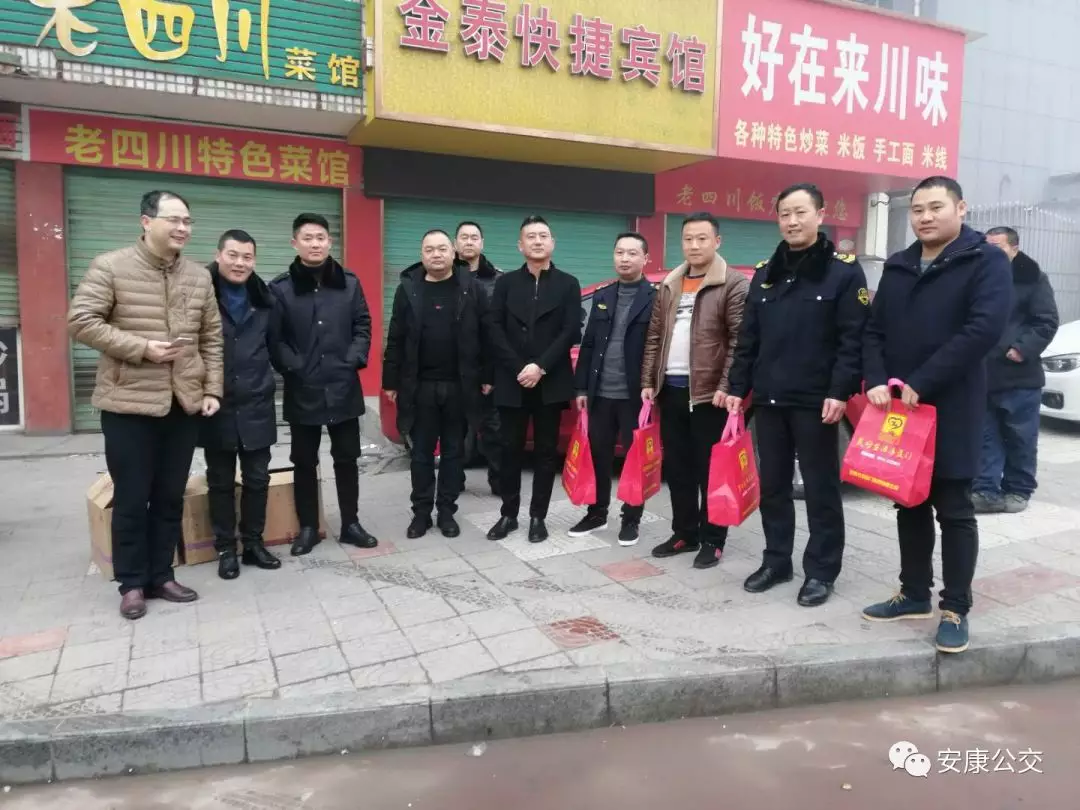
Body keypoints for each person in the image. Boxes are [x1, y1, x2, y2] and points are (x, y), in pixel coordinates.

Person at [861, 176, 1011, 654]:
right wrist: (876, 378)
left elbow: (982, 329)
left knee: (954, 508)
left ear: (961, 208)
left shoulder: (984, 260)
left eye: (936, 207)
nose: (925, 217)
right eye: (917, 209)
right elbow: (874, 330)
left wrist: (923, 381)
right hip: (900, 407)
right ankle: (913, 594)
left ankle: (956, 607)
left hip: (952, 405)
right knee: (908, 501)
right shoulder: (900, 265)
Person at [68, 190, 223, 620]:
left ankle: (161, 575)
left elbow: (211, 337)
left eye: (188, 221)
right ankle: (132, 583)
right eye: (174, 219)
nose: (182, 228)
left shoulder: (198, 276)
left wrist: (211, 390)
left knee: (170, 496)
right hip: (128, 405)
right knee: (133, 498)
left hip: (182, 404)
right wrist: (140, 348)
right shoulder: (111, 266)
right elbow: (81, 321)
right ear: (146, 221)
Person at [726, 184, 870, 607]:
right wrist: (736, 387)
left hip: (816, 402)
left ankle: (822, 571)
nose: (792, 221)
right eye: (784, 213)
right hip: (769, 399)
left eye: (800, 212)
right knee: (773, 487)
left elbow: (852, 339)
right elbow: (748, 338)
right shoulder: (765, 273)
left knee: (821, 489)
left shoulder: (843, 273)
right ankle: (777, 561)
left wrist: (840, 391)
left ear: (820, 215)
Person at [641, 212, 749, 569]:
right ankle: (685, 533)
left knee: (710, 472)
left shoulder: (731, 283)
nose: (694, 245)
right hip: (670, 390)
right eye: (688, 239)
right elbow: (655, 336)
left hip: (708, 395)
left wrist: (726, 385)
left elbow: (739, 340)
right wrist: (648, 381)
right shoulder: (670, 283)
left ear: (717, 241)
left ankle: (713, 539)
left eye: (702, 238)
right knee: (678, 469)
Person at [270, 213, 377, 556]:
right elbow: (275, 339)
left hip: (343, 385)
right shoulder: (281, 289)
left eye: (320, 238)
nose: (315, 244)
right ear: (295, 243)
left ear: (330, 242)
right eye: (307, 238)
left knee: (347, 458)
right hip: (303, 388)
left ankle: (350, 524)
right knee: (303, 461)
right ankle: (308, 528)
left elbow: (363, 325)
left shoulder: (349, 283)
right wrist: (295, 368)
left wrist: (352, 359)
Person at [383, 229, 488, 539]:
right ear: (422, 254)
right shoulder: (408, 289)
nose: (436, 254)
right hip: (420, 387)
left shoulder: (471, 288)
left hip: (459, 386)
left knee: (454, 452)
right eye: (429, 249)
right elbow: (396, 337)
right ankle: (420, 513)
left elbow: (486, 334)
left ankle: (446, 512)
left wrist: (487, 376)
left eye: (442, 248)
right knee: (421, 454)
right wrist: (390, 380)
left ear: (453, 252)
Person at [485, 215, 581, 543]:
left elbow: (570, 330)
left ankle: (538, 516)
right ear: (520, 245)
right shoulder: (506, 283)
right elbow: (494, 328)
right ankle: (508, 514)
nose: (537, 241)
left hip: (550, 381)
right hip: (512, 380)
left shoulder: (568, 284)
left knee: (545, 452)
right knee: (509, 449)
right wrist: (519, 367)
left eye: (543, 236)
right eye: (531, 236)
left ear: (552, 243)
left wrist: (540, 367)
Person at [199, 230, 284, 580]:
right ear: (219, 255)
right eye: (233, 255)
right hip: (215, 404)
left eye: (247, 257)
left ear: (254, 261)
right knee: (220, 480)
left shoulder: (265, 299)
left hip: (256, 402)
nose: (240, 263)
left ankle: (252, 544)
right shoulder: (201, 294)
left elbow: (278, 347)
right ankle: (225, 549)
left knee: (257, 478)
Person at [570, 232, 656, 546]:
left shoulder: (656, 297)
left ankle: (631, 519)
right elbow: (589, 343)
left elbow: (658, 346)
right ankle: (596, 513)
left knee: (635, 461)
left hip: (635, 396)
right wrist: (581, 387)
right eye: (620, 252)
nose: (625, 258)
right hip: (600, 393)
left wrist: (652, 384)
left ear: (645, 259)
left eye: (632, 253)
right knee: (598, 457)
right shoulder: (604, 295)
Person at [973, 226, 1058, 514]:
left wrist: (1021, 349)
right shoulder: (979, 276)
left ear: (1014, 248)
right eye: (987, 246)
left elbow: (1046, 321)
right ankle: (985, 489)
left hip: (1019, 374)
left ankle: (1019, 489)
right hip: (984, 372)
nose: (991, 252)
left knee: (1020, 436)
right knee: (986, 435)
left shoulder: (1032, 278)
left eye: (998, 247)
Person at [455, 221, 504, 496]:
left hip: (488, 368)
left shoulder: (498, 280)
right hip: (454, 368)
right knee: (455, 429)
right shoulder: (444, 276)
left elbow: (501, 330)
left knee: (494, 429)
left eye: (474, 237)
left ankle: (499, 482)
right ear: (455, 243)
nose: (469, 241)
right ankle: (454, 480)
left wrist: (492, 372)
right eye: (464, 237)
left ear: (482, 243)